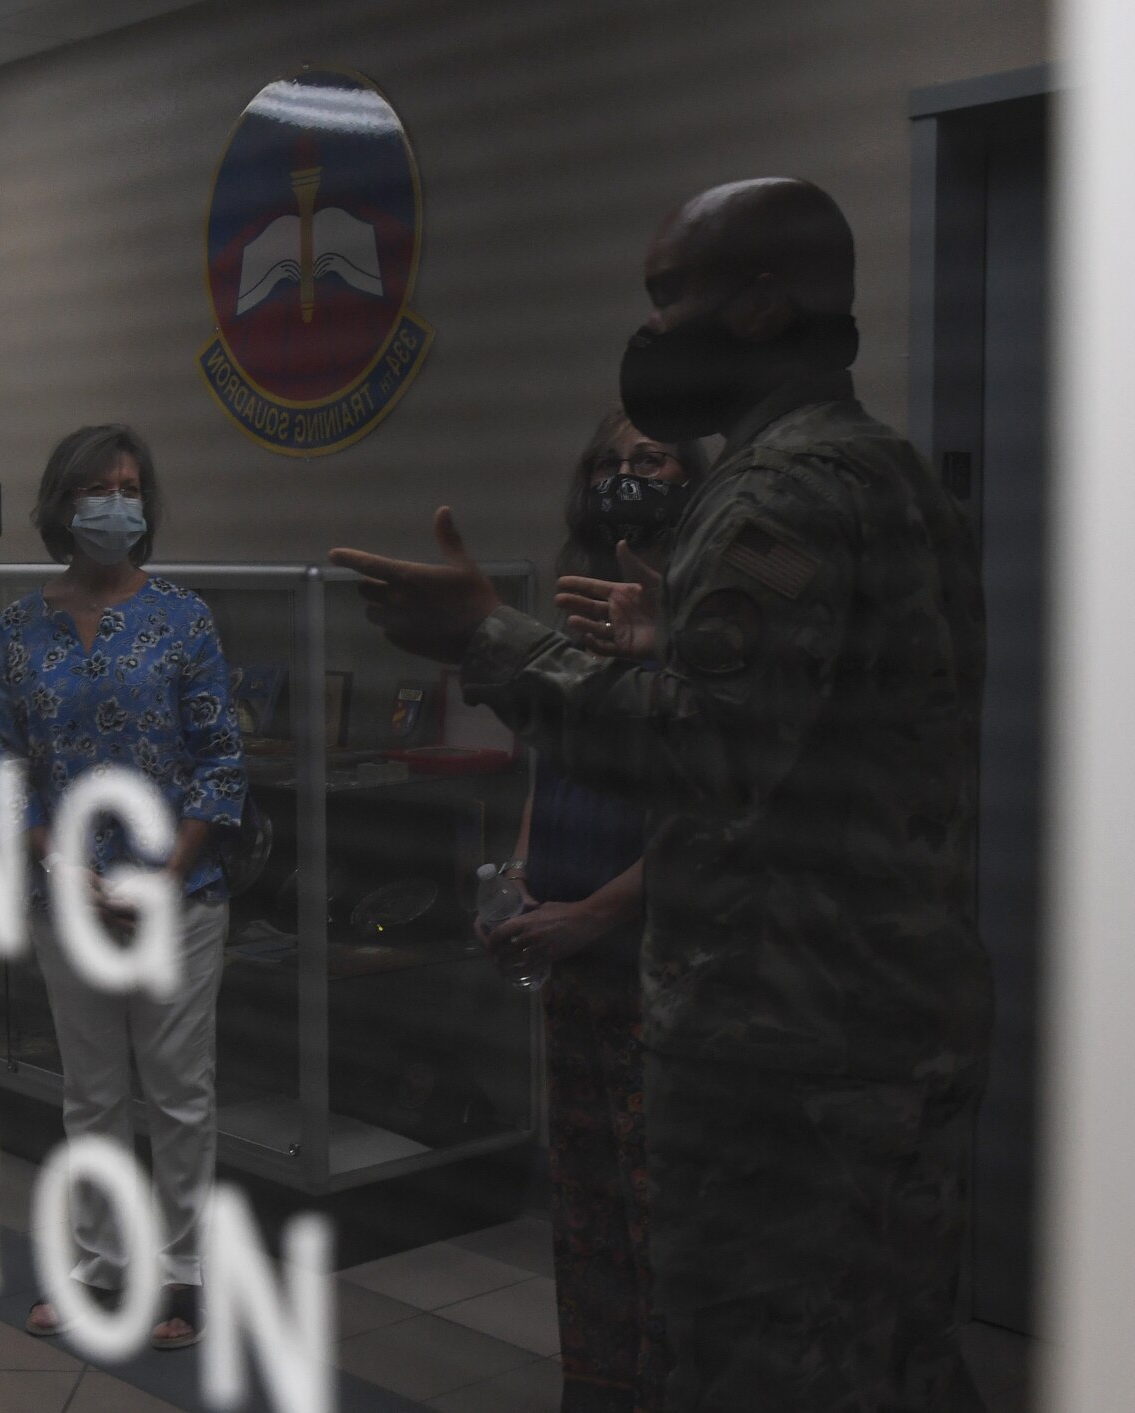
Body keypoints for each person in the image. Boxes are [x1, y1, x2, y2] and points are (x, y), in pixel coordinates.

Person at [333, 179, 991, 1412]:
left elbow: (695, 758)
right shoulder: (890, 474)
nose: (647, 329)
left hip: (780, 1061)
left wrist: (486, 637)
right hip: (893, 1025)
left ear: (756, 306)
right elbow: (832, 725)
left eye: (667, 294)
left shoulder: (773, 494)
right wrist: (663, 642)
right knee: (889, 1355)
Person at [0, 424, 244, 1350]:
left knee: (179, 1095)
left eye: (130, 487)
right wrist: (60, 864)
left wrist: (168, 876)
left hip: (182, 896)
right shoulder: (20, 626)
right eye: (98, 487)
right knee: (90, 1095)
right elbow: (5, 764)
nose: (116, 504)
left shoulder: (184, 618)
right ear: (62, 503)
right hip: (69, 902)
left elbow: (222, 761)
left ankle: (182, 1278)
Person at [483, 408, 705, 1413]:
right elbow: (553, 750)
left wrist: (596, 916)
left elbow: (711, 810)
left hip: (659, 962)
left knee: (664, 1212)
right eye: (611, 462)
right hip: (564, 951)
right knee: (584, 1205)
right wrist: (527, 875)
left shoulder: (709, 609)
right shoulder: (577, 595)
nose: (628, 476)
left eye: (649, 460)